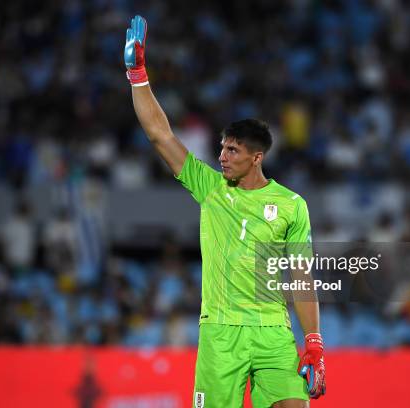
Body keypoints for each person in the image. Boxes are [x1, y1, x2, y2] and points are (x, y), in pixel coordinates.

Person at [124, 16, 325, 408]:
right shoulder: (210, 187)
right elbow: (159, 134)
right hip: (221, 334)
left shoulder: (291, 205)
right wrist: (137, 75)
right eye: (222, 148)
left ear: (256, 157)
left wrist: (313, 342)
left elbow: (302, 277)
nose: (222, 156)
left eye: (232, 150)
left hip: (273, 333)